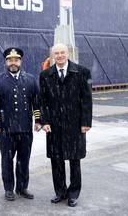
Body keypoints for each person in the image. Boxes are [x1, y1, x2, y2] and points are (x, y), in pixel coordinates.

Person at [39, 43, 93, 207]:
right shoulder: (46, 74)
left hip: (75, 124)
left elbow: (87, 99)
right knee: (56, 160)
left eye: (62, 52)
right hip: (54, 125)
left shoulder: (82, 72)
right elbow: (43, 101)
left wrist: (86, 122)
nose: (60, 56)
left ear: (67, 53)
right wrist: (45, 121)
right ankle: (60, 192)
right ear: (53, 56)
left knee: (74, 160)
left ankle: (73, 193)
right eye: (57, 53)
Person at [0, 47, 41, 201]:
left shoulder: (31, 79)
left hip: (25, 128)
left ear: (21, 61)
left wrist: (38, 120)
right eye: (10, 60)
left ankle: (22, 187)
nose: (13, 63)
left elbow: (36, 102)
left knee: (24, 159)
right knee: (7, 160)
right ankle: (8, 189)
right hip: (7, 130)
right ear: (6, 62)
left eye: (16, 60)